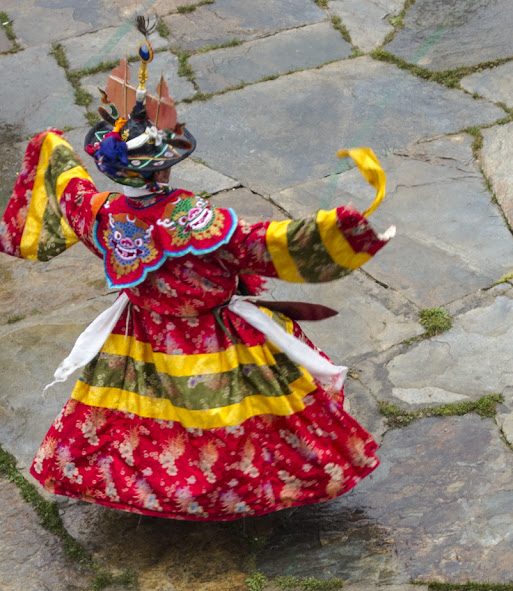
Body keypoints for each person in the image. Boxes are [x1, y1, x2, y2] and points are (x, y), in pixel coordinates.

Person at [0, 21, 394, 521]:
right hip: (215, 338)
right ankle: (228, 491)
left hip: (140, 336)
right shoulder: (197, 221)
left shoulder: (98, 213)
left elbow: (65, 184)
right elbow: (263, 245)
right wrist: (341, 232)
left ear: (115, 170)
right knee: (235, 417)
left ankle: (155, 491)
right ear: (163, 168)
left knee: (139, 419)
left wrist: (52, 147)